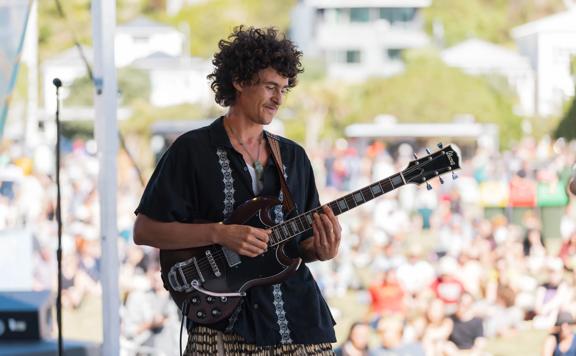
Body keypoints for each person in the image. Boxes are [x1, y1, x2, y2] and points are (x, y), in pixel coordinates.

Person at [133, 26, 342, 355]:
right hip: (223, 326)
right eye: (270, 86)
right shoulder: (191, 151)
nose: (278, 98)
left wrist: (321, 250)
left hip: (298, 323)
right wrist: (220, 234)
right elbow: (145, 230)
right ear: (240, 82)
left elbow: (299, 248)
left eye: (284, 89)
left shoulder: (293, 157)